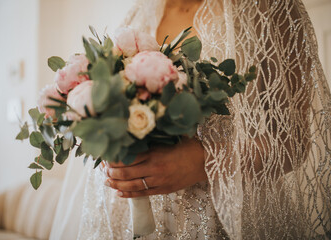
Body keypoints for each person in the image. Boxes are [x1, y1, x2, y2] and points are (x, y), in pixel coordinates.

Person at [51, 0, 331, 239]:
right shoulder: (140, 12)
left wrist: (206, 161)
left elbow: (293, 139)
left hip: (226, 217)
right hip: (125, 216)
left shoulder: (270, 8)